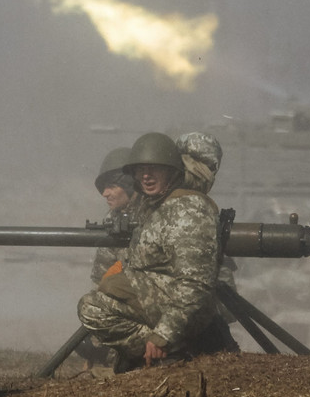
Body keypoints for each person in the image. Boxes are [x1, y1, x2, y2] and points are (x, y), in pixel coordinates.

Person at [77, 132, 228, 372]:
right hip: (168, 304)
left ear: (171, 170)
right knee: (93, 304)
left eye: (154, 169)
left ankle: (173, 352)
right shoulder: (158, 207)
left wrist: (162, 336)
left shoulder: (188, 209)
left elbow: (195, 284)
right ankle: (157, 353)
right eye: (140, 170)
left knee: (94, 308)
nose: (146, 176)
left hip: (186, 312)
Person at [88, 147, 136, 284]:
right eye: (104, 187)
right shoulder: (114, 218)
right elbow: (101, 277)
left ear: (130, 185)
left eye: (112, 186)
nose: (105, 194)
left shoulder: (153, 216)